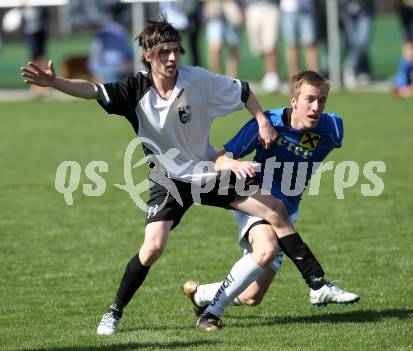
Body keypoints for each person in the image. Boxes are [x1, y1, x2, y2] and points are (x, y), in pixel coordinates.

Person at [21, 17, 324, 336]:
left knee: (275, 209)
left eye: (176, 50)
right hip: (168, 181)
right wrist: (55, 83)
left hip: (207, 170)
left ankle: (317, 282)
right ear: (148, 56)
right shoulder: (134, 89)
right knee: (152, 248)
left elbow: (244, 92)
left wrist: (263, 121)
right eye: (164, 52)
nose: (172, 58)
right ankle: (114, 312)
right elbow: (94, 90)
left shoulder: (197, 80)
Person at [182, 71, 360, 331]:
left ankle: (200, 295)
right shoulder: (265, 125)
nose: (316, 107)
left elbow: (313, 140)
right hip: (255, 199)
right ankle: (210, 315)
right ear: (293, 101)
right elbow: (219, 159)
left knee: (250, 297)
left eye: (322, 100)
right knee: (265, 250)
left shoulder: (332, 129)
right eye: (309, 99)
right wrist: (235, 164)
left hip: (288, 212)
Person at [243, 0, 281, 92]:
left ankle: (273, 75)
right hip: (252, 8)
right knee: (259, 47)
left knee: (270, 43)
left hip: (270, 7)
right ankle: (268, 74)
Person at [339, 0, 375, 89]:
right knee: (351, 42)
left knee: (361, 41)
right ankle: (351, 71)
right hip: (346, 11)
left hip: (365, 11)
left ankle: (351, 69)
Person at [280, 0, 320, 77]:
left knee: (310, 44)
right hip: (288, 11)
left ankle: (314, 78)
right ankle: (294, 79)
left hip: (307, 9)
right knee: (292, 45)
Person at [88, 16, 133, 83]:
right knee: (112, 74)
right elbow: (95, 62)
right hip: (107, 68)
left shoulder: (120, 32)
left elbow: (129, 53)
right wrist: (118, 67)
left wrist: (129, 63)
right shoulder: (100, 38)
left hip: (124, 66)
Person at [203, 0, 243, 77]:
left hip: (232, 12)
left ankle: (232, 79)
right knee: (215, 48)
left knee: (234, 47)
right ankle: (217, 78)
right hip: (214, 13)